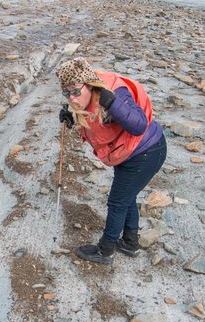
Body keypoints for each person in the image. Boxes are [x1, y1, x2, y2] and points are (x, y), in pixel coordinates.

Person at [57, 57, 167, 265]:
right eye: (66, 93)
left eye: (75, 91)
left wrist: (113, 102)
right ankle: (129, 243)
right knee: (127, 197)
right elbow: (95, 123)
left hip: (146, 153)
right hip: (129, 154)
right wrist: (72, 117)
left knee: (117, 202)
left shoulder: (114, 93)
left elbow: (139, 125)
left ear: (89, 84)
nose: (71, 97)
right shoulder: (85, 99)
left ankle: (105, 250)